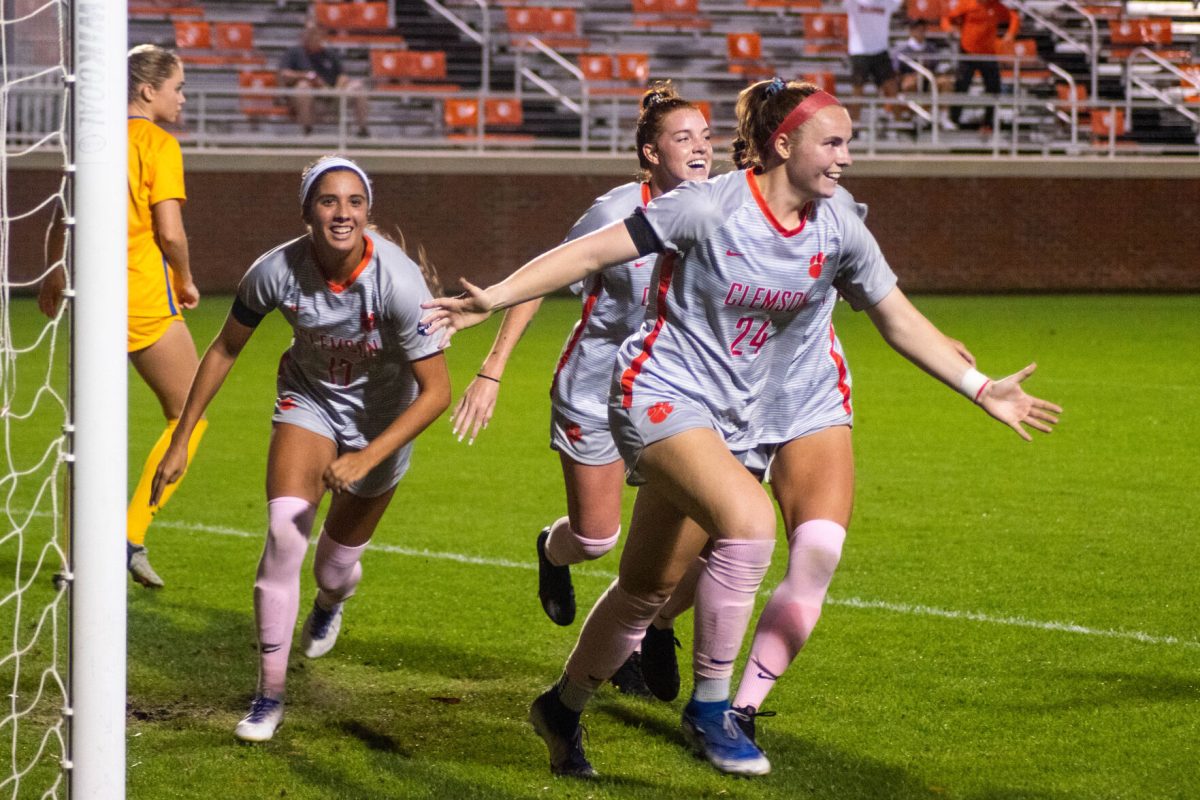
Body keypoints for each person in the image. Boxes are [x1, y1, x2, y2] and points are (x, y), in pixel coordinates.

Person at [421, 78, 1059, 779]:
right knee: (750, 521)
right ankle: (713, 708)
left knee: (644, 588)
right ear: (784, 145)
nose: (847, 157)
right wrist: (496, 298)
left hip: (743, 418)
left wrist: (979, 387)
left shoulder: (838, 222)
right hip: (659, 396)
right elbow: (590, 254)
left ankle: (562, 706)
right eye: (834, 142)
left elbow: (895, 316)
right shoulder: (706, 206)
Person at [149, 156, 451, 742]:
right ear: (307, 210)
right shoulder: (275, 270)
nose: (343, 213)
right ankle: (269, 695)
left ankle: (332, 600)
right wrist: (181, 437)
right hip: (308, 403)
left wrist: (367, 455)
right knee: (285, 535)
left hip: (383, 422)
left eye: (355, 202)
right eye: (328, 201)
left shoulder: (398, 281)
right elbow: (223, 349)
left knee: (332, 569)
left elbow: (436, 392)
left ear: (368, 211)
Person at [449, 82, 713, 697]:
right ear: (650, 153)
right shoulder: (615, 211)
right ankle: (553, 548)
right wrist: (492, 367)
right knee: (596, 538)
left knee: (718, 523)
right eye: (683, 138)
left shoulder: (723, 207)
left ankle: (650, 628)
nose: (701, 148)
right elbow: (543, 277)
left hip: (672, 396)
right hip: (595, 390)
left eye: (706, 136)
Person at [38, 44, 206, 589]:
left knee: (84, 434)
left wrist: (54, 275)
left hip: (89, 295)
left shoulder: (94, 140)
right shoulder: (157, 143)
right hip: (141, 300)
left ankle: (76, 558)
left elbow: (70, 218)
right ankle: (129, 536)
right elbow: (171, 231)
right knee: (189, 415)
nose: (182, 97)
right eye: (177, 87)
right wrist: (183, 278)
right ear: (147, 90)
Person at [279, 22, 370, 137]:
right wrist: (307, 77)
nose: (313, 36)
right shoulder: (294, 52)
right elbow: (285, 74)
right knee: (303, 86)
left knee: (358, 86)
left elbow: (342, 75)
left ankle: (363, 131)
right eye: (310, 33)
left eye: (316, 33)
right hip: (311, 99)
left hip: (332, 95)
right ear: (304, 35)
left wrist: (337, 89)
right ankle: (307, 131)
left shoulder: (329, 53)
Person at [943, 0, 1020, 130]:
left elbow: (1014, 17)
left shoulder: (995, 5)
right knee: (961, 85)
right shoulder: (966, 3)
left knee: (994, 87)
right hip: (968, 52)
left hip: (988, 54)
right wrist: (949, 29)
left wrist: (1011, 34)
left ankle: (988, 123)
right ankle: (953, 119)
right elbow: (947, 18)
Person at [844, 0, 903, 123]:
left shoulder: (888, 2)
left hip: (880, 49)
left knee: (892, 87)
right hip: (859, 50)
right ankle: (855, 125)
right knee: (858, 88)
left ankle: (900, 124)